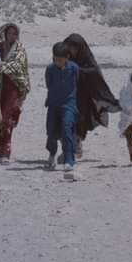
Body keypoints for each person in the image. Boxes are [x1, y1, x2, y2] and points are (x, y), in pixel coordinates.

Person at [62, 33, 120, 159]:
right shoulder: (64, 58)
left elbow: (94, 72)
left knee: (79, 120)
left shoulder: (86, 59)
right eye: (69, 47)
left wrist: (77, 70)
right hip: (67, 94)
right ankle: (69, 148)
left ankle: (76, 146)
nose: (71, 50)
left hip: (83, 96)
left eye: (74, 47)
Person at [0, 22, 30, 165]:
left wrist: (1, 66)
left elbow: (19, 66)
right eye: (9, 33)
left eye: (15, 33)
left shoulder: (20, 49)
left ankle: (6, 151)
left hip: (13, 87)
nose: (12, 36)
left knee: (7, 119)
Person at [44, 41, 79, 181]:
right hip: (53, 103)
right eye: (56, 59)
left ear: (67, 57)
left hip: (69, 104)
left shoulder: (74, 68)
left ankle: (69, 160)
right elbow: (49, 84)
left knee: (67, 129)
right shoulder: (50, 69)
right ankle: (52, 154)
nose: (58, 62)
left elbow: (77, 83)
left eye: (61, 59)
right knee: (51, 131)